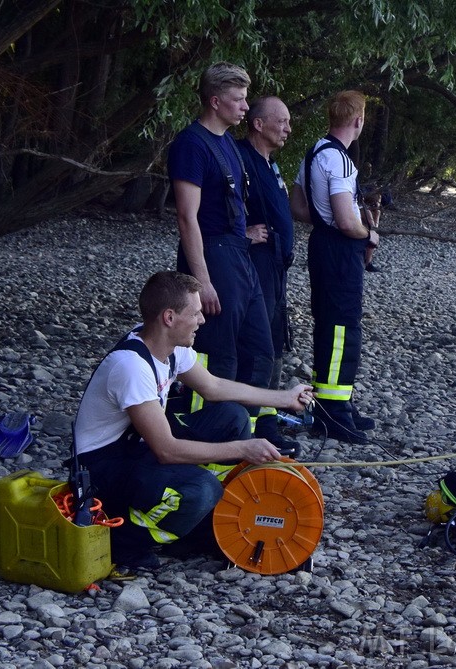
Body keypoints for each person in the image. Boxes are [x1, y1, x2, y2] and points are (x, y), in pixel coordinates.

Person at [72, 272, 313, 570]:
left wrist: (285, 398)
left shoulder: (169, 345)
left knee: (232, 416)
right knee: (203, 489)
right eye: (195, 313)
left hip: (136, 444)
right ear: (169, 317)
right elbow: (167, 450)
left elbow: (213, 388)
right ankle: (126, 543)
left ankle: (191, 515)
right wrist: (243, 449)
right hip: (102, 469)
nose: (202, 320)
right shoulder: (131, 367)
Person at [167, 63, 277, 447]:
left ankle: (240, 435)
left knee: (261, 349)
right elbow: (187, 216)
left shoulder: (229, 143)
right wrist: (202, 283)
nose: (246, 107)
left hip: (239, 256)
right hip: (213, 258)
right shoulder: (191, 144)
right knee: (218, 354)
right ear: (215, 101)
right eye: (239, 99)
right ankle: (200, 440)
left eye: (247, 99)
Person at [290, 90, 378, 443]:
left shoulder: (312, 152)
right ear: (358, 121)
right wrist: (369, 234)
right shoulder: (341, 161)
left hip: (320, 244)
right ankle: (333, 412)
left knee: (329, 324)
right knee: (343, 329)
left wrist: (325, 220)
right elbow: (346, 220)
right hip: (340, 250)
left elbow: (297, 205)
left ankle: (335, 402)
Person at [237, 95, 299, 453]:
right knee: (258, 344)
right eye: (282, 121)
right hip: (254, 266)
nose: (288, 128)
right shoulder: (241, 159)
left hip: (276, 268)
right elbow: (212, 211)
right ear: (258, 124)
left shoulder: (270, 164)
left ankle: (268, 417)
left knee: (276, 341)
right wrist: (242, 234)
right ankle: (249, 423)